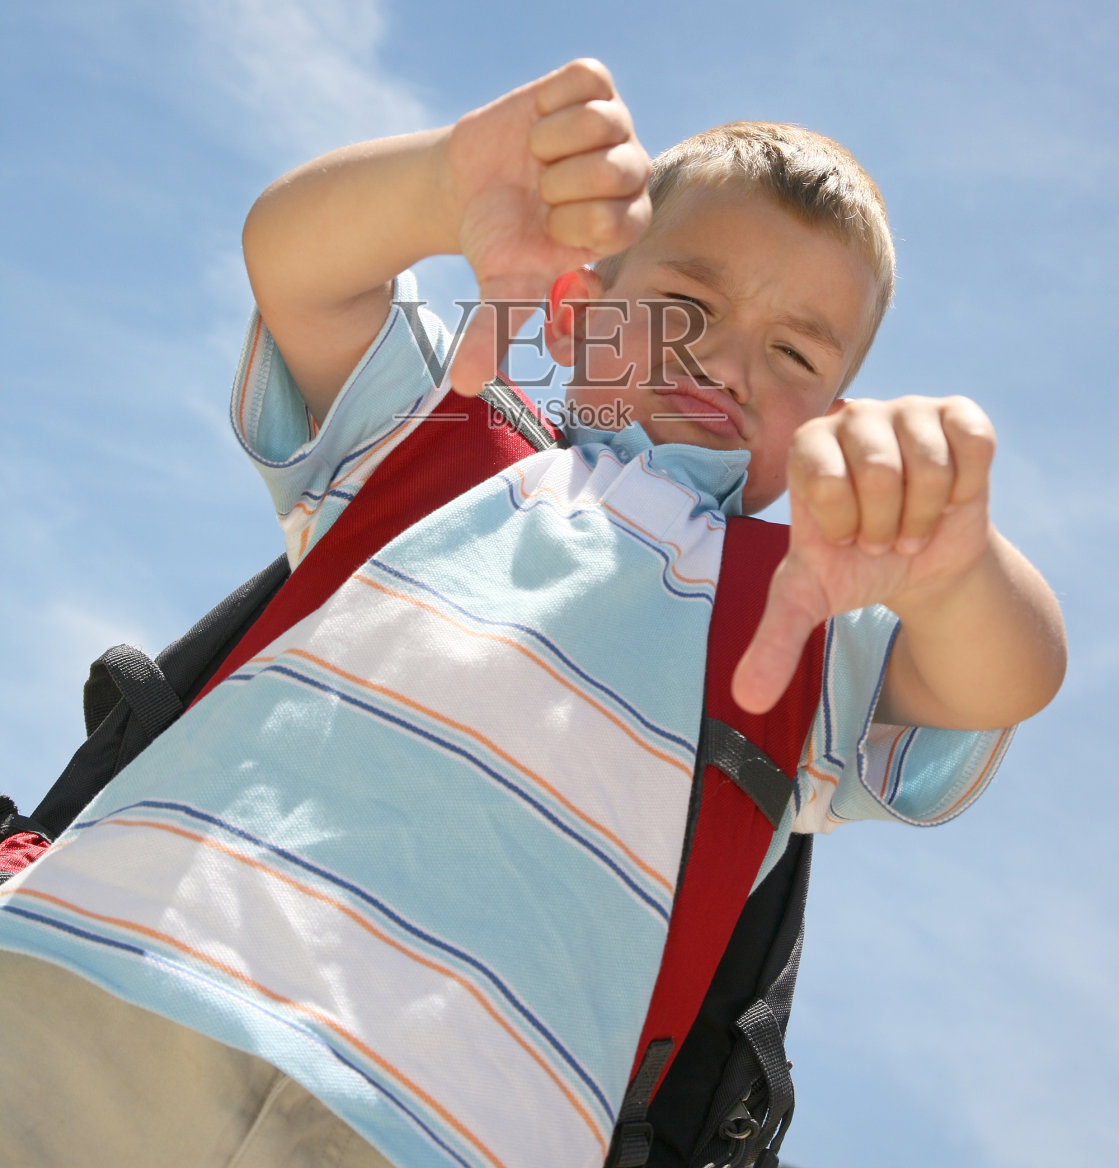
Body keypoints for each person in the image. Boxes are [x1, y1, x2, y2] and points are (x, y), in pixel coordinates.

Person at [0, 59, 1065, 1168]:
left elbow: (1007, 676)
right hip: (110, 963)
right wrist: (443, 181)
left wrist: (953, 562)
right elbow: (293, 265)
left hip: (451, 1134)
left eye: (794, 351)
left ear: (830, 419)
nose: (728, 358)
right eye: (683, 305)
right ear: (576, 312)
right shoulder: (447, 438)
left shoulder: (799, 610)